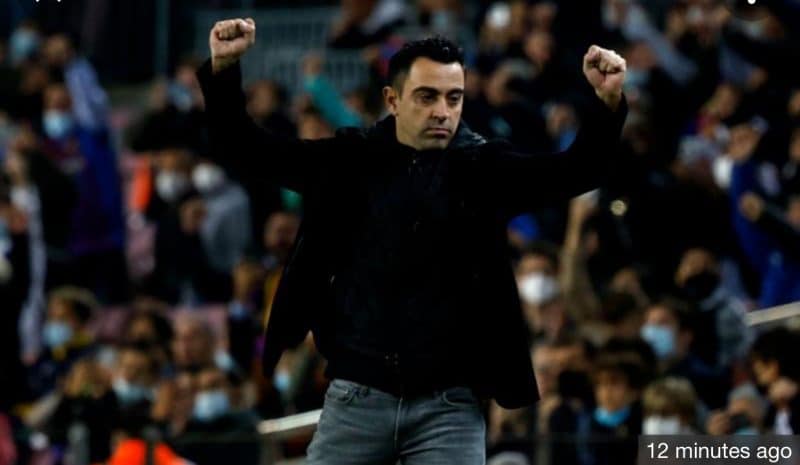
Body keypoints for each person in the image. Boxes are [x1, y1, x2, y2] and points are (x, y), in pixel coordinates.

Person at [198, 17, 627, 464]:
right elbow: (249, 149)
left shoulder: (485, 169)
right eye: (427, 96)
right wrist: (224, 69)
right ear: (393, 100)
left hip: (450, 409)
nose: (443, 111)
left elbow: (575, 171)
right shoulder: (348, 162)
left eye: (453, 98)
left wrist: (607, 102)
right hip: (355, 400)